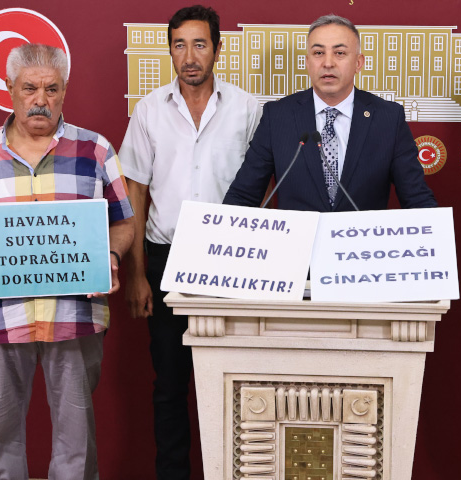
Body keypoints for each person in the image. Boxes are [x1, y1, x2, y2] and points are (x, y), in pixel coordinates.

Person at [0, 43, 134, 479]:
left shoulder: (96, 150)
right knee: (0, 433)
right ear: (10, 88)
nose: (40, 100)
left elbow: (124, 222)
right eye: (29, 88)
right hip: (0, 311)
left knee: (76, 437)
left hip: (74, 312)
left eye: (52, 89)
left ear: (65, 90)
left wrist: (110, 255)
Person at [117, 5, 261, 478]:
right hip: (165, 261)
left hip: (232, 262)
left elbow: (264, 190)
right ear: (170, 51)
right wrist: (137, 274)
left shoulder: (247, 109)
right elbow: (135, 192)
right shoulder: (149, 110)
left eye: (200, 44)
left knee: (235, 383)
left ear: (218, 49)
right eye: (179, 45)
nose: (190, 56)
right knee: (170, 385)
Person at [223, 14, 436, 211]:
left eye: (339, 53)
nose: (327, 63)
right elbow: (243, 195)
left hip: (360, 239)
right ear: (308, 63)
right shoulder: (278, 116)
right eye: (318, 53)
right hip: (300, 240)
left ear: (358, 63)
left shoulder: (388, 118)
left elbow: (417, 198)